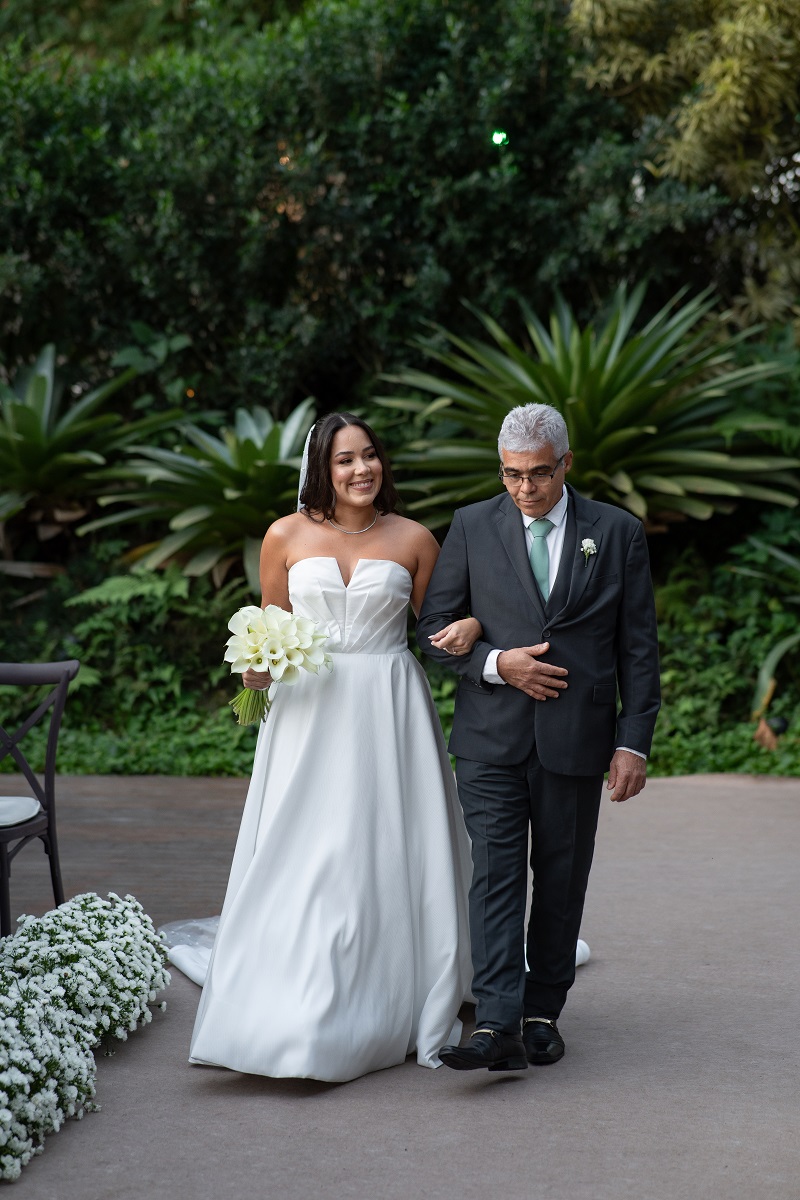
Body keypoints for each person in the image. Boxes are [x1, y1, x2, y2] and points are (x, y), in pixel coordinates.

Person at [188, 413, 477, 1082]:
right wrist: (255, 672)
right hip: (308, 713)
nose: (361, 469)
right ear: (321, 467)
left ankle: (390, 984)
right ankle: (301, 994)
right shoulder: (283, 535)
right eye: (345, 459)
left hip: (389, 708)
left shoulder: (414, 538)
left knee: (383, 843)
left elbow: (439, 628)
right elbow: (268, 627)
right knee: (308, 850)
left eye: (369, 455)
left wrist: (470, 626)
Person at [417, 402, 660, 1072]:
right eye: (512, 474)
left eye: (540, 473)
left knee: (561, 878)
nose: (525, 488)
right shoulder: (471, 525)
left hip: (577, 736)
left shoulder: (617, 532)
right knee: (495, 878)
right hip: (489, 738)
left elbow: (638, 647)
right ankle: (496, 1025)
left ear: (566, 463)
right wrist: (497, 661)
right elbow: (432, 627)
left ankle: (542, 1012)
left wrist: (633, 741)